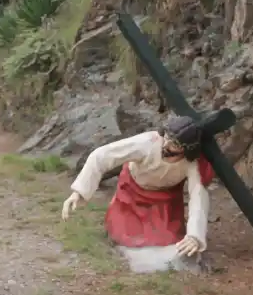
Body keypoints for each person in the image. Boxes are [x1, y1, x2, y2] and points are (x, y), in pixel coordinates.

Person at [61, 115, 214, 272]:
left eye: (174, 143)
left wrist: (195, 235)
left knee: (168, 240)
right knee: (124, 234)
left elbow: (198, 195)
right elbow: (102, 156)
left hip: (165, 201)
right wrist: (80, 191)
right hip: (131, 193)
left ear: (186, 149)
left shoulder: (192, 163)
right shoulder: (148, 143)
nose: (166, 144)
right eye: (167, 137)